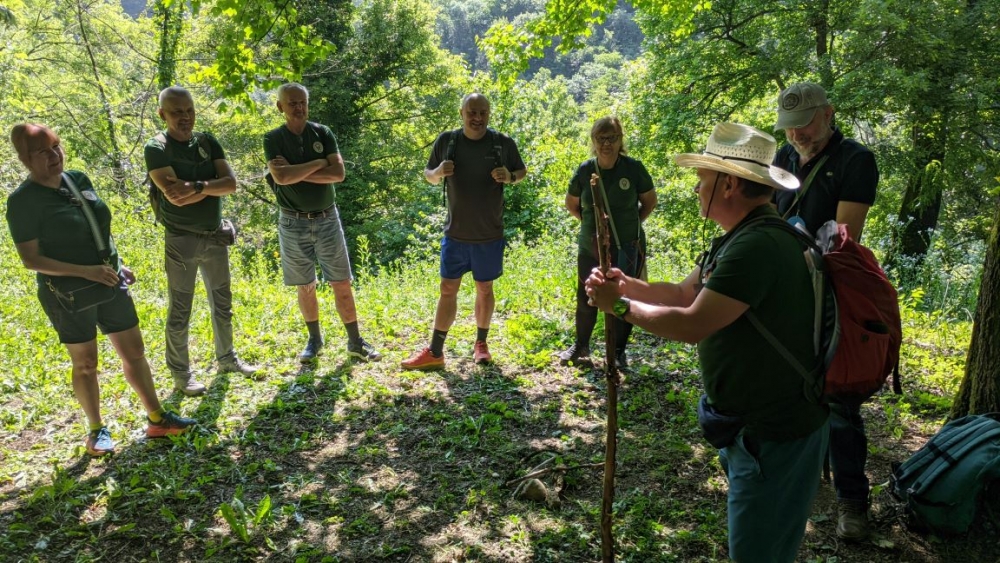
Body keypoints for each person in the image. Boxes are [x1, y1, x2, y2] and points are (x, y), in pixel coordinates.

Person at [586, 123, 828, 562]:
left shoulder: (757, 247)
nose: (698, 189)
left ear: (730, 184)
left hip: (774, 435)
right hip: (755, 431)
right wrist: (626, 287)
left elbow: (692, 323)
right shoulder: (743, 237)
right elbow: (682, 293)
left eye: (703, 179)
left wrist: (617, 308)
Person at [6, 123, 196, 457]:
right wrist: (87, 272)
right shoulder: (23, 201)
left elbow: (97, 227)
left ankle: (157, 418)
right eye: (43, 152)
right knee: (86, 362)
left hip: (109, 282)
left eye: (57, 146)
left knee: (134, 351)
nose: (55, 156)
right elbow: (30, 258)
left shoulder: (77, 180)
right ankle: (96, 431)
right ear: (24, 158)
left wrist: (115, 264)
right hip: (67, 294)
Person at [772, 81, 880, 541]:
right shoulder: (782, 158)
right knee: (787, 381)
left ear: (828, 114)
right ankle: (803, 474)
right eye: (789, 127)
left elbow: (843, 238)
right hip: (787, 286)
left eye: (804, 125)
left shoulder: (855, 160)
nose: (796, 135)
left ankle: (853, 502)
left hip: (832, 290)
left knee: (838, 395)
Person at [145, 86, 258, 397]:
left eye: (189, 110)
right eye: (177, 112)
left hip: (214, 236)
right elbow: (174, 196)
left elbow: (231, 184)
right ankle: (182, 375)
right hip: (181, 240)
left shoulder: (207, 141)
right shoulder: (156, 147)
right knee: (181, 308)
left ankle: (227, 359)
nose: (185, 117)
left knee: (223, 303)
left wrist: (194, 184)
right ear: (162, 114)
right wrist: (210, 186)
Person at [400, 93, 527, 370]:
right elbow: (428, 175)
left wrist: (510, 176)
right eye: (472, 112)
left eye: (483, 112)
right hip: (455, 233)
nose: (477, 118)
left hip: (489, 233)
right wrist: (438, 172)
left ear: (489, 113)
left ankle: (481, 344)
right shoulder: (448, 141)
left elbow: (521, 172)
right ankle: (435, 351)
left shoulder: (502, 143)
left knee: (485, 287)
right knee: (448, 288)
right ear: (462, 113)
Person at [264, 82, 381, 363]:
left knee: (342, 282)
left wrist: (295, 171)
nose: (299, 107)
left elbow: (338, 173)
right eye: (292, 103)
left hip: (328, 218)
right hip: (292, 222)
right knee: (305, 285)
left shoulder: (322, 132)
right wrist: (318, 164)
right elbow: (280, 178)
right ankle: (314, 340)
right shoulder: (273, 139)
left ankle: (355, 341)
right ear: (280, 107)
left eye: (302, 102)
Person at [557, 116, 656, 368]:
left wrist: (630, 226)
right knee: (586, 294)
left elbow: (649, 202)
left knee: (623, 298)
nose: (606, 144)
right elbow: (572, 204)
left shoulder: (634, 168)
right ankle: (581, 346)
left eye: (611, 138)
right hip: (590, 245)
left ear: (620, 139)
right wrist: (595, 227)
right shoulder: (584, 170)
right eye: (601, 139)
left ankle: (618, 351)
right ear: (593, 141)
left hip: (628, 246)